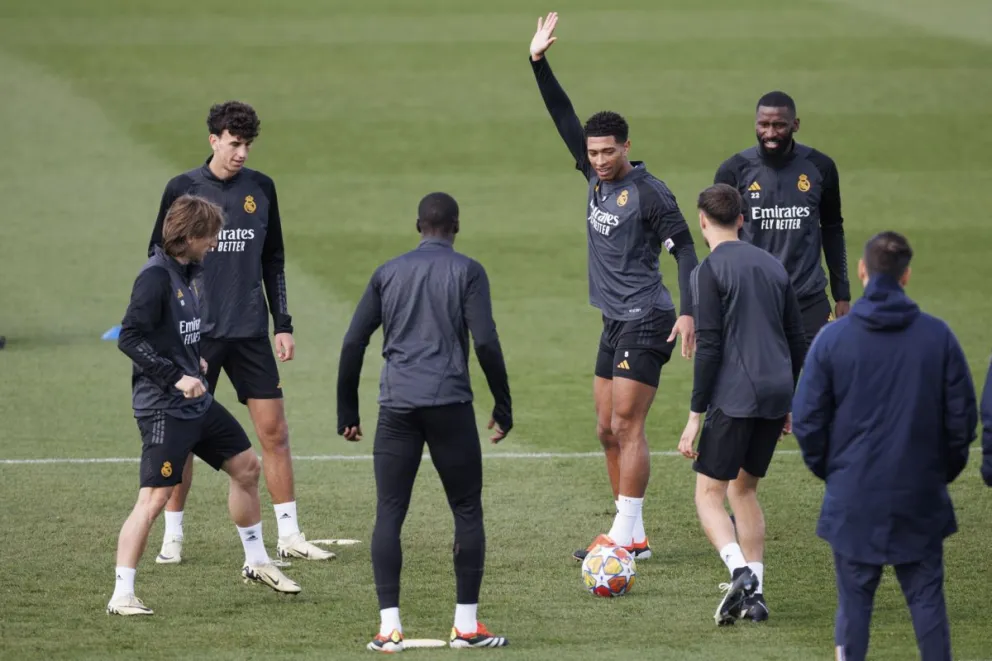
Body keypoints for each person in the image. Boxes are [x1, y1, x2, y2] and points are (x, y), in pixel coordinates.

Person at [528, 12, 700, 562]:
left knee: (628, 424)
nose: (599, 162)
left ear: (627, 146)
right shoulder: (592, 171)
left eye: (608, 152)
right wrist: (538, 62)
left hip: (648, 318)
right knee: (605, 429)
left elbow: (687, 250)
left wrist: (690, 312)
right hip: (612, 318)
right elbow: (562, 117)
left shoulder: (651, 194)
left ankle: (623, 539)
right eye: (593, 153)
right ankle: (636, 534)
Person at [148, 100, 334, 565]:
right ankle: (174, 534)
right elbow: (159, 257)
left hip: (250, 332)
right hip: (198, 335)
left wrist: (283, 324)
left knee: (275, 432)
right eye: (234, 144)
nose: (242, 153)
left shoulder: (262, 189)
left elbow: (274, 260)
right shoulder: (182, 188)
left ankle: (289, 534)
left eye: (247, 144)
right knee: (185, 436)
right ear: (213, 140)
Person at [336, 192, 512, 652]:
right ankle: (467, 627)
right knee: (467, 509)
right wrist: (503, 403)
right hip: (450, 404)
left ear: (419, 226)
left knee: (389, 513)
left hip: (396, 407)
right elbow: (487, 342)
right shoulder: (468, 271)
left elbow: (353, 342)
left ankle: (388, 629)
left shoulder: (387, 272)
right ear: (456, 227)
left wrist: (347, 411)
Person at [109, 194, 300, 616]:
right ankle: (122, 594)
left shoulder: (187, 271)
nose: (216, 242)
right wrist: (175, 376)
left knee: (246, 467)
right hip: (164, 407)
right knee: (154, 499)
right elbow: (129, 337)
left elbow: (174, 330)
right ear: (189, 236)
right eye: (211, 235)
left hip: (197, 403)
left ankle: (256, 562)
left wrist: (193, 357)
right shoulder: (155, 278)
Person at [792, 231, 976, 661]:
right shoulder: (938, 337)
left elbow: (807, 421)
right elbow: (961, 422)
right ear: (906, 275)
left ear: (862, 271)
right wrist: (938, 473)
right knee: (928, 601)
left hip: (854, 495)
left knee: (854, 605)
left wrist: (834, 473)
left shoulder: (832, 341)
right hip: (920, 493)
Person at [676, 184, 807, 625]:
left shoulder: (708, 271)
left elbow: (709, 346)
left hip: (736, 396)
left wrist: (695, 417)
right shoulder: (773, 265)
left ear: (703, 221)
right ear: (742, 219)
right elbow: (796, 339)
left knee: (709, 495)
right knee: (744, 490)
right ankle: (757, 597)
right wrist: (789, 397)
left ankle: (740, 573)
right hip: (775, 392)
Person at [714, 91, 851, 345]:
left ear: (795, 125)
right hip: (754, 302)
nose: (770, 133)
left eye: (779, 125)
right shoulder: (733, 171)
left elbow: (832, 228)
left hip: (809, 300)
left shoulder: (821, 167)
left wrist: (841, 294)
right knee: (763, 384)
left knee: (820, 382)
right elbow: (719, 240)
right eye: (764, 125)